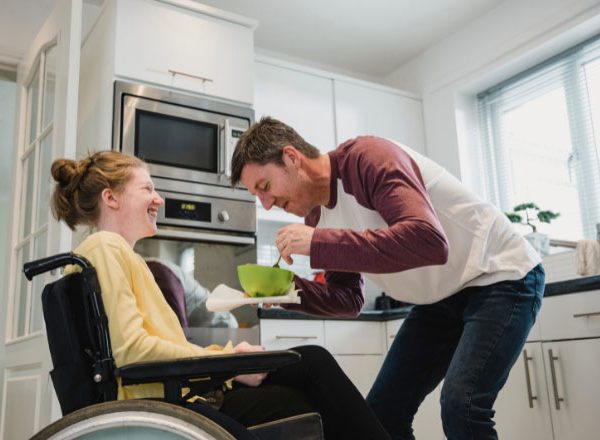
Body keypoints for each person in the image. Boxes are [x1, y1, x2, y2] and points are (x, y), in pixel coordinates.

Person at [230, 117, 545, 440]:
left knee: (461, 405)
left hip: (500, 275)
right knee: (383, 415)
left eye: (265, 188)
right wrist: (287, 291)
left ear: (291, 158)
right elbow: (349, 299)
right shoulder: (317, 217)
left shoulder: (369, 159)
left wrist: (320, 243)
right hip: (440, 299)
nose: (266, 203)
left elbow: (429, 242)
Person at [50, 150, 390, 440]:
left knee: (311, 363)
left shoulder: (119, 255)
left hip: (177, 391)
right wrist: (228, 365)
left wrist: (227, 359)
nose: (159, 199)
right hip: (167, 404)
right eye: (147, 188)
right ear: (111, 198)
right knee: (311, 374)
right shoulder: (105, 248)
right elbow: (134, 353)